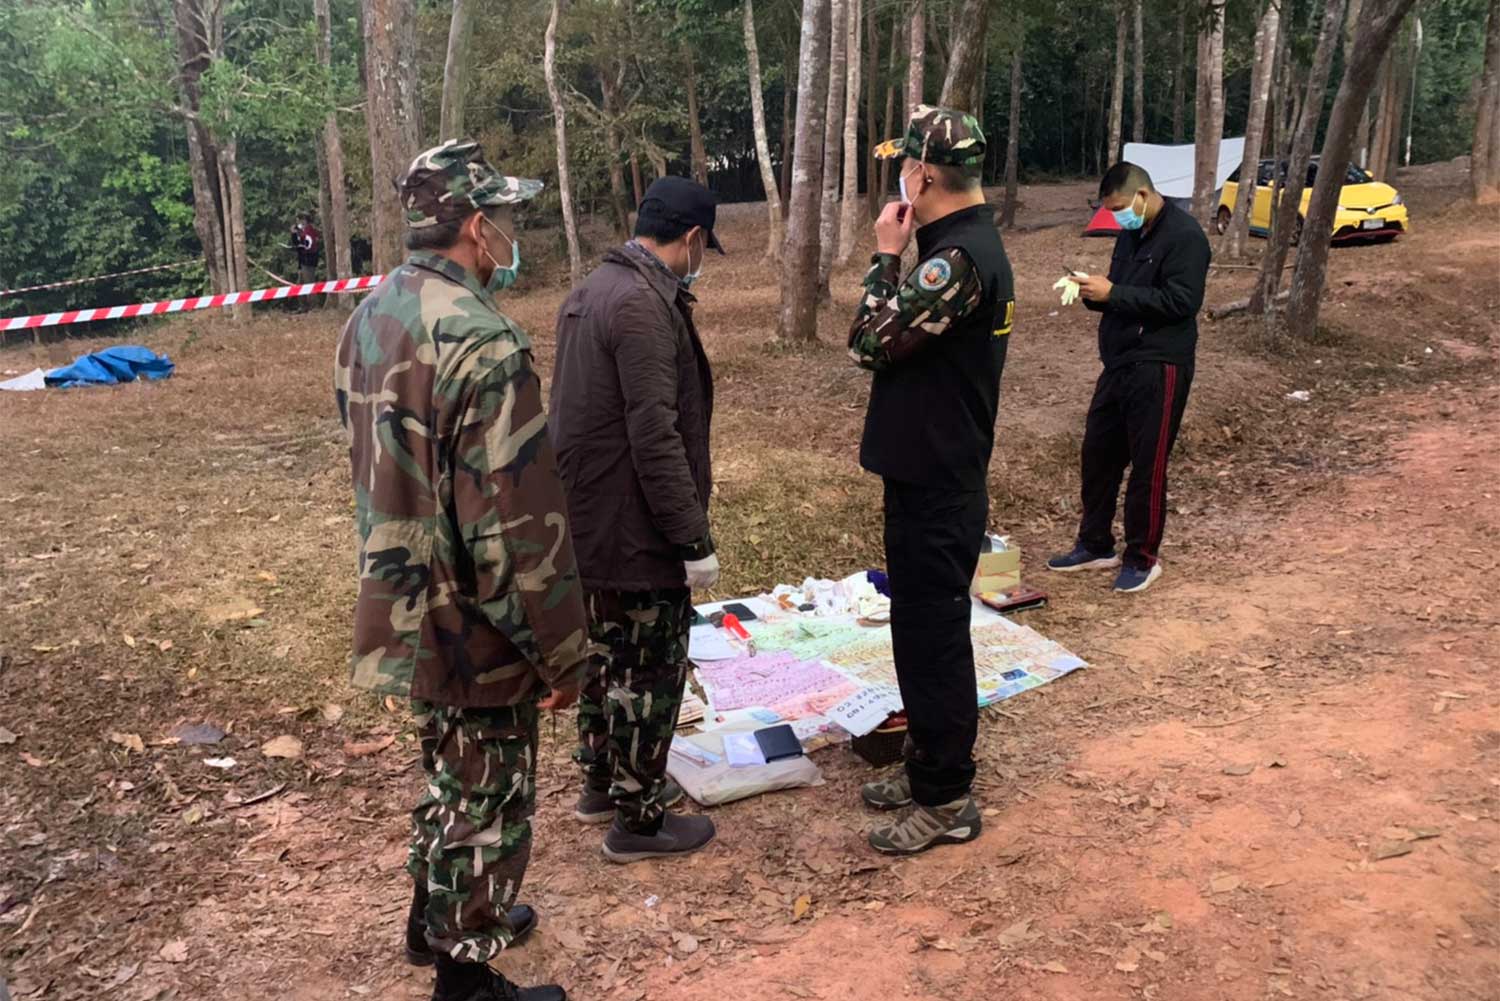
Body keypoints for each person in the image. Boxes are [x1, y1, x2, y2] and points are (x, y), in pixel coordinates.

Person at [334, 139, 588, 1001]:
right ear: (477, 226)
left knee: (449, 768)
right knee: (489, 796)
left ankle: (432, 915)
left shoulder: (370, 316)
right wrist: (562, 653)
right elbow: (515, 527)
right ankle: (465, 978)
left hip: (401, 598)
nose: (511, 233)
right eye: (505, 216)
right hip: (475, 622)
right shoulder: (485, 341)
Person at [848, 106, 1016, 856]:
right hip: (933, 469)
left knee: (933, 636)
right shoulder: (964, 248)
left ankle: (946, 796)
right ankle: (926, 765)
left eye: (904, 168)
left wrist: (885, 255)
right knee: (920, 628)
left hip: (938, 479)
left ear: (920, 177)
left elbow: (868, 342)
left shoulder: (955, 263)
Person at [549, 176, 721, 864]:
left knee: (604, 660)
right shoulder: (644, 305)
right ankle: (639, 818)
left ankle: (601, 782)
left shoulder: (592, 290)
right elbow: (656, 434)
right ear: (692, 238)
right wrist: (691, 536)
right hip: (634, 527)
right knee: (648, 672)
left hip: (591, 518)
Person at [1046, 162, 1209, 594]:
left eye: (1120, 208)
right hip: (1118, 363)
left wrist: (1114, 292)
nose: (1118, 217)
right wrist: (1091, 291)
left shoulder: (1186, 237)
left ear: (1143, 195)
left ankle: (1142, 557)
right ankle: (1095, 544)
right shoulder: (1130, 235)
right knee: (1098, 454)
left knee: (1147, 464)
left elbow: (1181, 302)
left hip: (1159, 363)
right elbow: (1120, 293)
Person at [290, 213, 322, 311]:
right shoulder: (302, 231)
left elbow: (308, 245)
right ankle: (303, 306)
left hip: (308, 261)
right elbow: (297, 243)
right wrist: (294, 234)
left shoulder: (309, 231)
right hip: (302, 261)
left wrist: (300, 244)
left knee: (309, 283)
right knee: (300, 284)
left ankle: (314, 306)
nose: (298, 223)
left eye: (299, 220)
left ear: (304, 221)